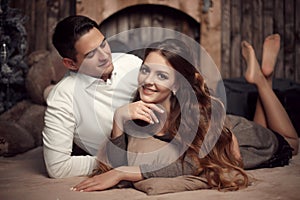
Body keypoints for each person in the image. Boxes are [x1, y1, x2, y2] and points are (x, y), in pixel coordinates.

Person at [72, 36, 298, 192]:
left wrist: (124, 173)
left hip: (240, 136)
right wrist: (118, 119)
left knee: (291, 142)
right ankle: (263, 78)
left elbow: (193, 164)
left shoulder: (195, 113)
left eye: (162, 76)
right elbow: (118, 162)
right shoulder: (136, 108)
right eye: (145, 70)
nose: (148, 81)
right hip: (224, 132)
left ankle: (261, 81)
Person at [42, 15, 144, 178]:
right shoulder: (63, 97)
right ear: (71, 63)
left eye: (103, 44)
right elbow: (58, 167)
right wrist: (114, 162)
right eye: (91, 54)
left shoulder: (131, 63)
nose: (104, 56)